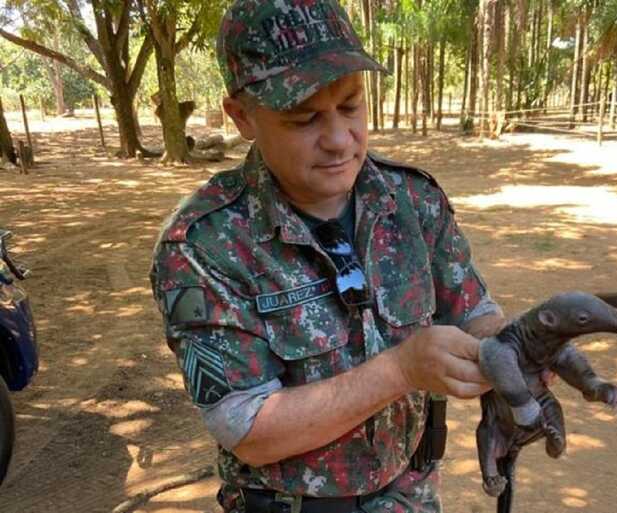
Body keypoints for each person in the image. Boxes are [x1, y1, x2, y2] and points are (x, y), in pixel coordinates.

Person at [149, 0, 506, 511]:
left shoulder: (412, 200)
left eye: (351, 105)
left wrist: (515, 348)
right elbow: (247, 427)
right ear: (243, 116)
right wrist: (402, 370)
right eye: (303, 118)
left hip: (412, 493)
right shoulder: (204, 243)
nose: (339, 140)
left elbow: (472, 311)